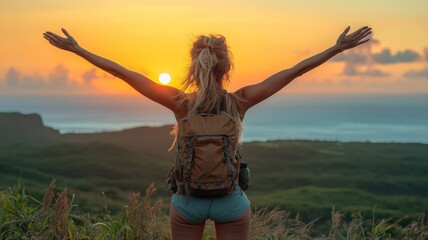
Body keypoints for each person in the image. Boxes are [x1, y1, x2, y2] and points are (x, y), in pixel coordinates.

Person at [43, 25, 372, 240]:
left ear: (193, 67)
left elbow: (123, 73)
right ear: (225, 67)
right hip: (230, 202)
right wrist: (336, 48)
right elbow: (292, 72)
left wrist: (78, 50)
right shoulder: (239, 102)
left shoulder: (179, 103)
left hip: (188, 203)